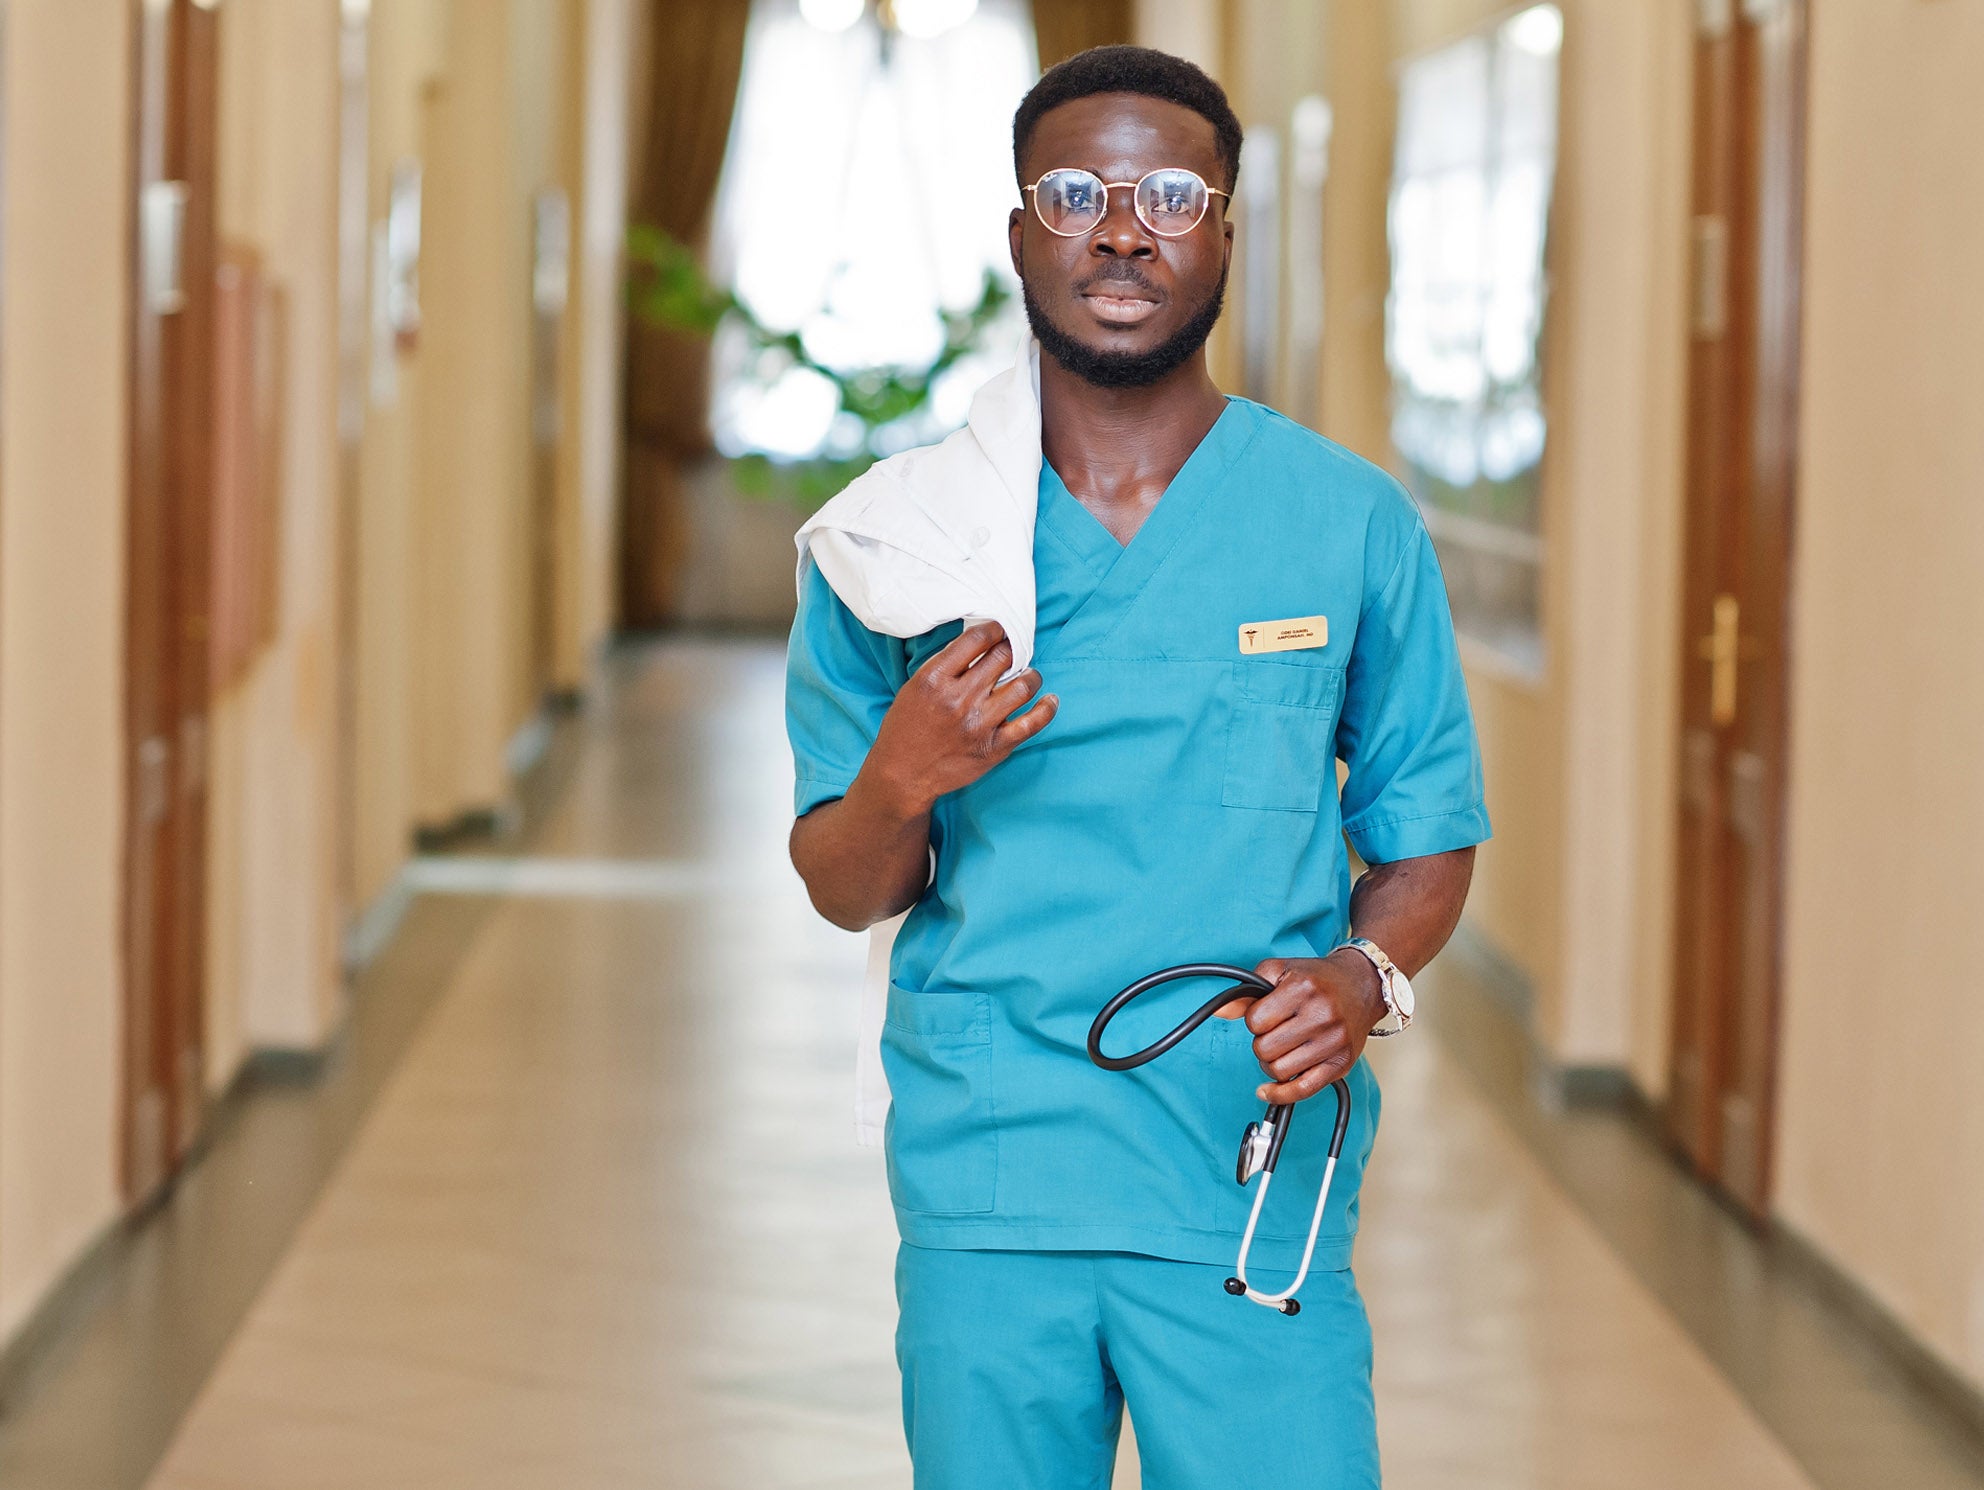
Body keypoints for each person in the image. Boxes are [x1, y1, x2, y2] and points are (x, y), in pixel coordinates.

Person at [785, 44, 1488, 1490]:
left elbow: (1424, 835)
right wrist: (901, 773)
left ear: (1225, 229)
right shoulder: (901, 549)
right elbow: (844, 885)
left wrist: (1362, 982)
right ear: (1019, 235)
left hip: (1245, 1162)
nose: (1121, 227)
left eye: (1171, 192)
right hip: (995, 1175)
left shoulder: (1346, 524)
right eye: (1074, 192)